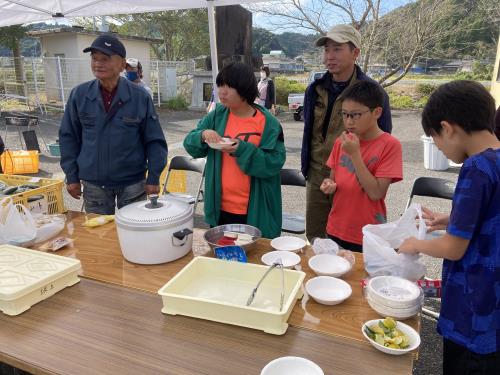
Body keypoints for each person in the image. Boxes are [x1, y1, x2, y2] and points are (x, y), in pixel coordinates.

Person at [399, 80, 500, 375]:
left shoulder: (475, 168)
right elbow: (489, 216)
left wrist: (414, 244)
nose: (440, 149)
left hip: (472, 306)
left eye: (436, 138)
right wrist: (448, 219)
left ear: (448, 127)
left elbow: (453, 249)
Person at [302, 24, 393, 242]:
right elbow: (309, 130)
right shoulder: (315, 89)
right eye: (326, 50)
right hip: (317, 173)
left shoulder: (373, 93)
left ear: (355, 53)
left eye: (337, 49)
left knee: (350, 239)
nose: (329, 56)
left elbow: (383, 135)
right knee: (316, 237)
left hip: (353, 176)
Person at [59, 34, 168, 214]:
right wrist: (71, 176)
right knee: (98, 236)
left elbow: (155, 141)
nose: (98, 64)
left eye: (105, 59)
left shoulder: (140, 97)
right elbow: (68, 137)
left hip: (133, 182)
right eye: (94, 58)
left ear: (122, 64)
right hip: (94, 183)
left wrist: (154, 177)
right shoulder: (79, 95)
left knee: (134, 233)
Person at [183, 62, 286, 238]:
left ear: (244, 89)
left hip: (255, 209)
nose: (222, 91)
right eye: (221, 85)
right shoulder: (216, 116)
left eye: (229, 86)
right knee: (223, 256)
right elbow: (189, 143)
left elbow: (274, 162)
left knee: (253, 258)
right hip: (220, 206)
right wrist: (202, 134)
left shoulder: (268, 123)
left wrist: (242, 149)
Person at [319, 81, 402, 251]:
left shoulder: (389, 145)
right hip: (336, 226)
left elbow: (376, 192)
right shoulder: (341, 142)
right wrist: (329, 184)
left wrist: (355, 154)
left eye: (355, 115)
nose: (348, 122)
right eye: (344, 114)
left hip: (368, 232)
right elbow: (333, 179)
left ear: (376, 112)